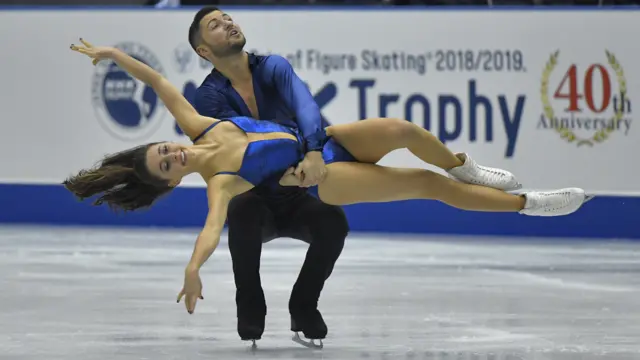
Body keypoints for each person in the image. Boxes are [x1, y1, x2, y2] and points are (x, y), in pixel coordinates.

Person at [66, 39, 590, 345]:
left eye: (164, 150)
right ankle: (531, 205)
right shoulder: (220, 182)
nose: (172, 155)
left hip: (329, 143)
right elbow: (210, 230)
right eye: (166, 165)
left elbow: (157, 82)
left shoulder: (200, 127)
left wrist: (112, 53)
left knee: (405, 130)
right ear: (169, 179)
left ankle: (468, 167)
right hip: (328, 179)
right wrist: (193, 268)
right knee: (427, 185)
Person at [186, 6, 348, 344]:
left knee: (334, 223)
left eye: (227, 17)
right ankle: (250, 305)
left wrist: (315, 150)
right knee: (242, 212)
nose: (228, 23)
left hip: (297, 191)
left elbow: (306, 107)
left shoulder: (273, 67)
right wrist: (296, 147)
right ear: (203, 51)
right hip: (253, 194)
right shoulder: (209, 97)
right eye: (215, 25)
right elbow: (244, 148)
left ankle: (304, 305)